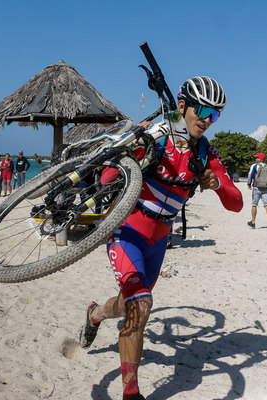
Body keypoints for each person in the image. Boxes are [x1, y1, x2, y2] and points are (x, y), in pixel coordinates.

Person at [80, 76, 242, 400]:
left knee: (130, 303)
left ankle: (95, 313)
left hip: (159, 241)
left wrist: (216, 183)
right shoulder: (157, 137)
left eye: (216, 114)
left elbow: (236, 202)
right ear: (182, 106)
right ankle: (131, 394)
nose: (208, 119)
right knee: (140, 304)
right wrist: (130, 149)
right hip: (126, 230)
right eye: (204, 110)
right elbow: (110, 175)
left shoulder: (205, 154)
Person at [247, 153, 267, 231]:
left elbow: (250, 175)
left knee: (254, 205)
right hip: (265, 188)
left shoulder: (254, 166)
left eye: (257, 157)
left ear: (260, 159)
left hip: (256, 187)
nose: (255, 159)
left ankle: (253, 223)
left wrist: (249, 184)